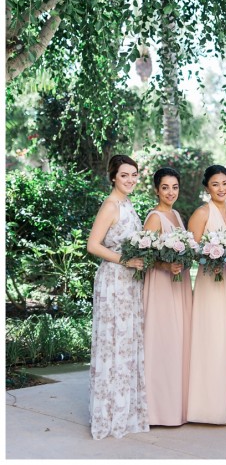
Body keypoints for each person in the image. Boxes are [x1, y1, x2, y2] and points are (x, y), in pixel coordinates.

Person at [87, 154, 149, 440]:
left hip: (130, 282)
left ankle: (125, 410)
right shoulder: (111, 205)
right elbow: (93, 245)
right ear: (113, 177)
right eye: (125, 175)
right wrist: (125, 261)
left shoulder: (127, 204)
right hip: (114, 281)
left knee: (126, 343)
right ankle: (109, 414)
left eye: (134, 174)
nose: (130, 179)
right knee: (113, 342)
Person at [187, 165, 226, 425]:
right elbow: (190, 251)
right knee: (213, 338)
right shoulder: (201, 213)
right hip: (211, 283)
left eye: (225, 183)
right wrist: (210, 256)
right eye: (215, 184)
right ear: (207, 188)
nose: (221, 188)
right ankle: (208, 407)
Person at [143, 167, 192, 426]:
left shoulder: (176, 215)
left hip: (178, 284)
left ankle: (175, 407)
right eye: (165, 187)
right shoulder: (155, 218)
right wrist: (165, 265)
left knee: (176, 344)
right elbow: (143, 255)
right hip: (161, 287)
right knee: (162, 343)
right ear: (156, 190)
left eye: (174, 187)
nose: (170, 192)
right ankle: (157, 411)